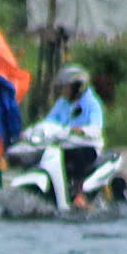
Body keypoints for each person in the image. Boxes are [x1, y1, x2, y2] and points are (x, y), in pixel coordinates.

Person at [41, 63, 105, 210]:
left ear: (77, 87)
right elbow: (49, 122)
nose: (63, 91)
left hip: (87, 146)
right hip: (63, 144)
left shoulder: (91, 104)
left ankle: (79, 195)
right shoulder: (62, 103)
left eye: (66, 87)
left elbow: (96, 128)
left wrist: (81, 130)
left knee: (77, 156)